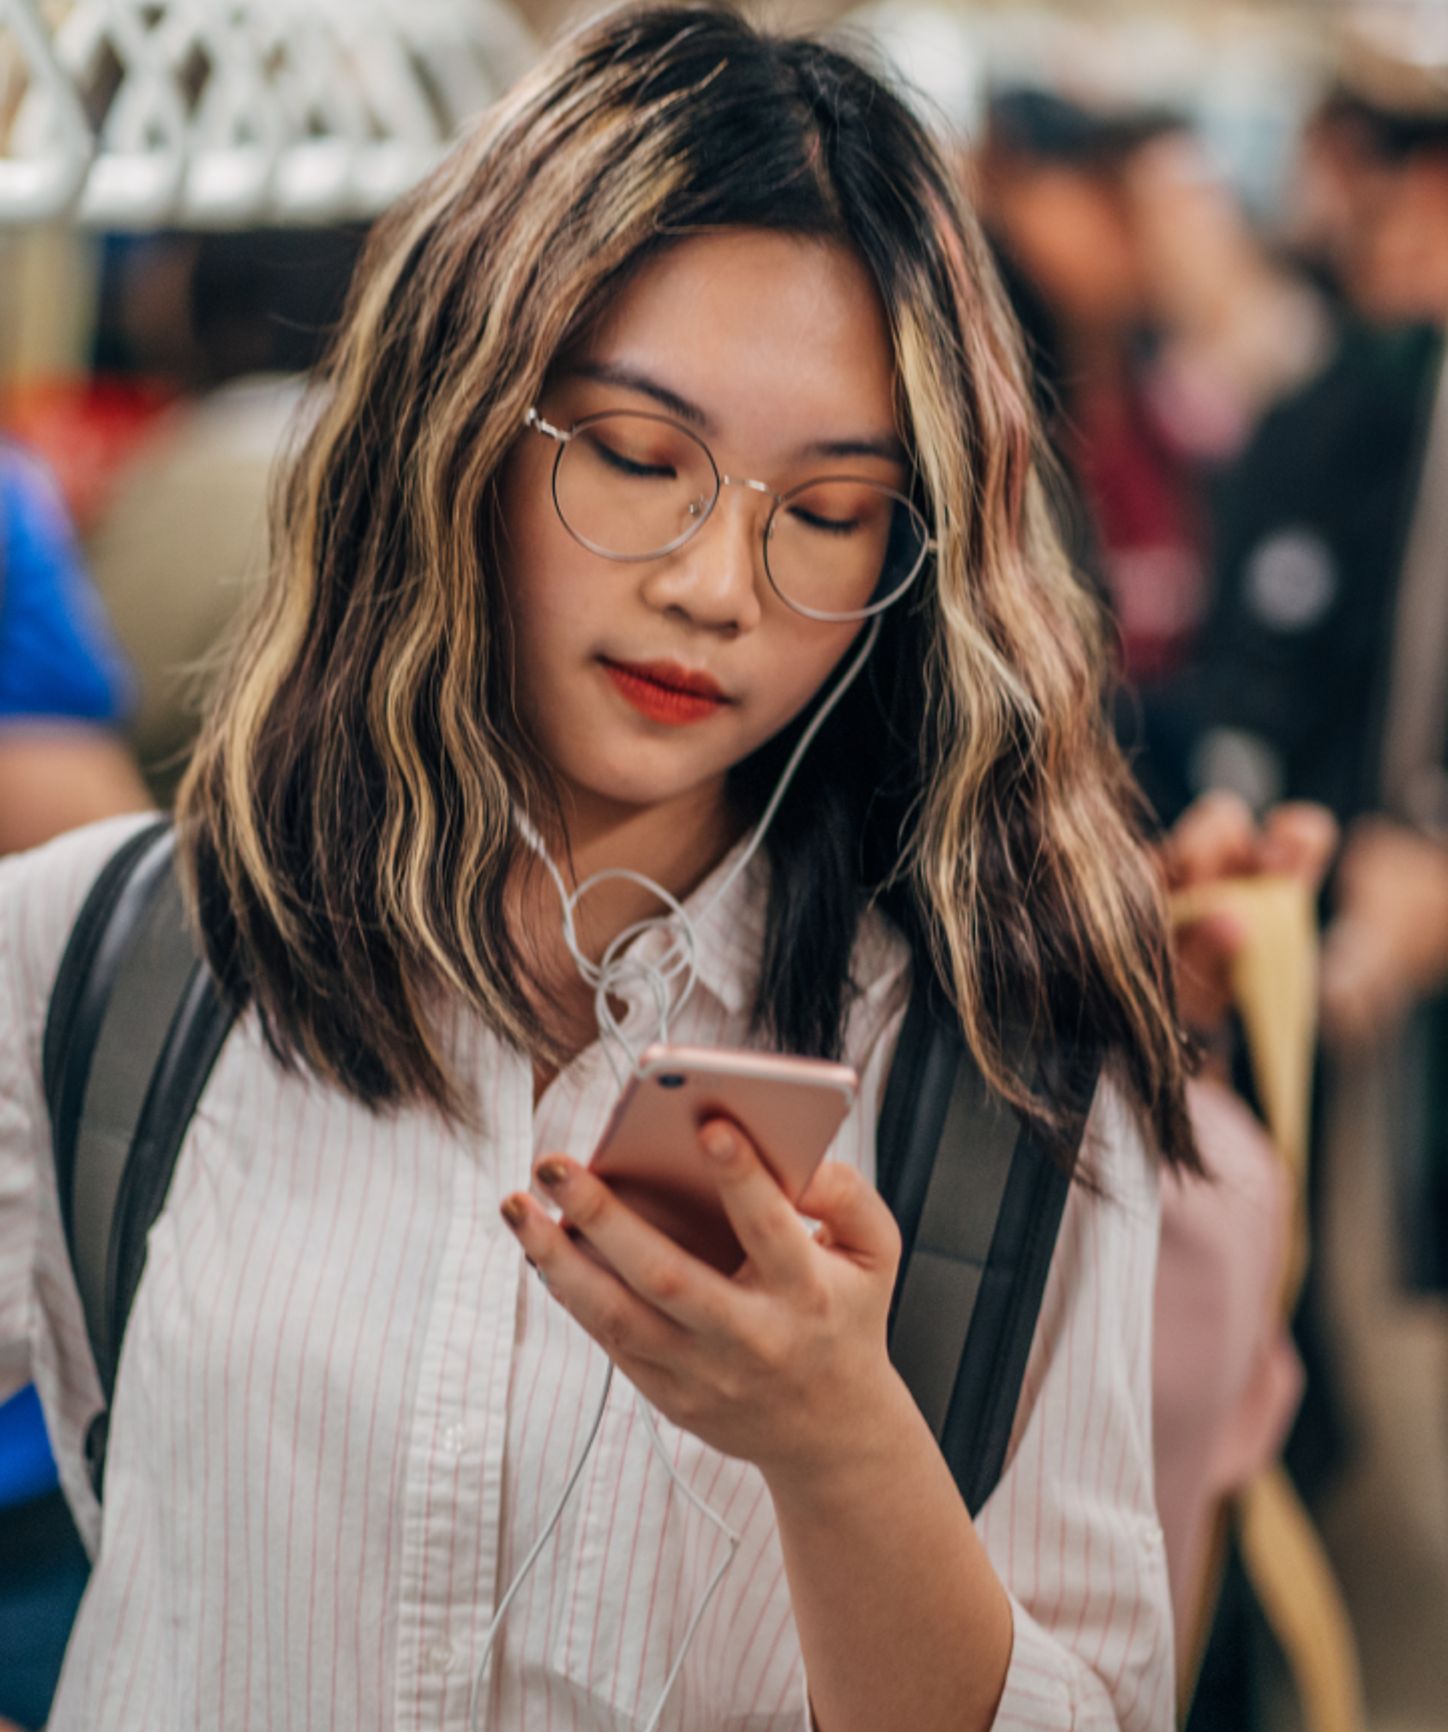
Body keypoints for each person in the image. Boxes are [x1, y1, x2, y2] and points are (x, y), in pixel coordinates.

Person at [0, 10, 1200, 1729]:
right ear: (455, 429)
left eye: (827, 512)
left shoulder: (1002, 1067)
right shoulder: (103, 961)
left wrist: (836, 1442)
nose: (718, 585)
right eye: (639, 462)